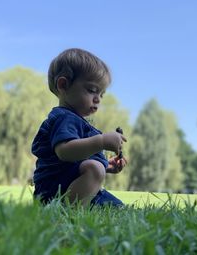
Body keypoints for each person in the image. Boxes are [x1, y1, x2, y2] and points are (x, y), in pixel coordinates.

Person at [31, 48, 127, 207]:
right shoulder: (64, 117)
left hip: (70, 185)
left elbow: (79, 161)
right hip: (54, 190)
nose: (97, 99)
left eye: (101, 94)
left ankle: (79, 205)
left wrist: (107, 165)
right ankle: (67, 214)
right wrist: (102, 141)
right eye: (91, 90)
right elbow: (65, 152)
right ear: (63, 85)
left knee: (118, 207)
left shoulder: (76, 121)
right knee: (95, 168)